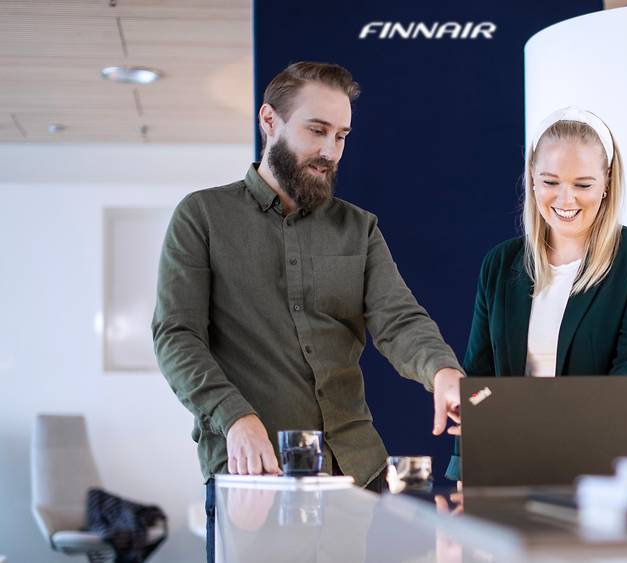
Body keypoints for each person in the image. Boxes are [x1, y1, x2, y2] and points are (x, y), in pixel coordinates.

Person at [151, 61, 464, 561]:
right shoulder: (202, 217)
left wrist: (442, 371)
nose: (330, 151)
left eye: (341, 136)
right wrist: (235, 417)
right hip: (255, 477)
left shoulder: (359, 228)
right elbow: (176, 334)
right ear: (269, 120)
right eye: (316, 131)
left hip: (356, 477)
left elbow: (399, 319)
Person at [445, 107, 627, 480]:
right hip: (512, 471)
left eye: (582, 185)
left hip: (614, 469)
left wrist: (530, 417)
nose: (565, 200)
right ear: (532, 180)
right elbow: (480, 380)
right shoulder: (500, 264)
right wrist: (471, 419)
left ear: (607, 182)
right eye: (550, 181)